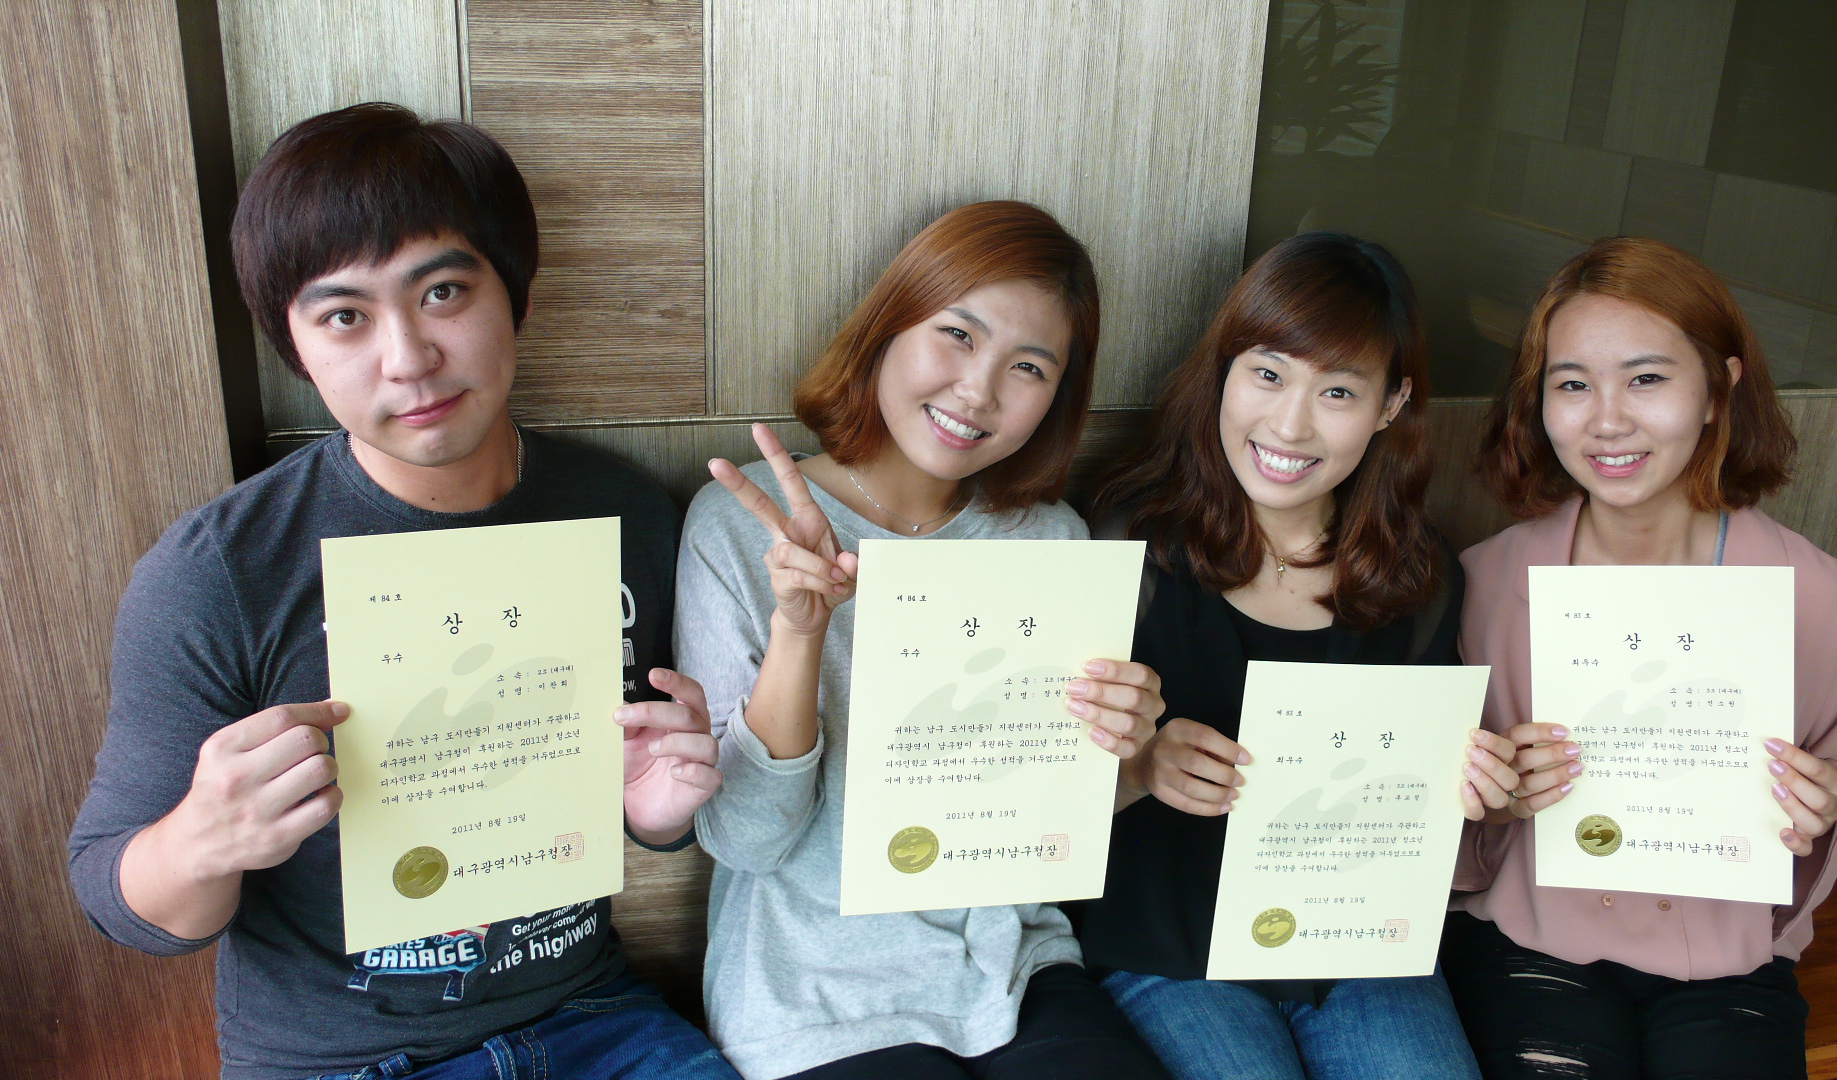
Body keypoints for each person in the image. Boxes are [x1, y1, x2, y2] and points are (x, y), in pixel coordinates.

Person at [66, 103, 738, 1080]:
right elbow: (120, 901)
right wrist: (204, 838)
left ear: (516, 296)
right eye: (345, 316)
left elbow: (650, 813)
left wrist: (658, 813)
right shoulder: (221, 569)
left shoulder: (624, 515)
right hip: (339, 1058)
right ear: (295, 346)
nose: (408, 359)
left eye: (443, 292)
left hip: (593, 1017)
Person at [673, 201, 1172, 1080]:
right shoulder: (742, 523)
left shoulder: (1052, 540)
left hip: (1013, 968)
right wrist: (800, 631)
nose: (979, 391)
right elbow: (748, 842)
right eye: (957, 335)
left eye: (1028, 367)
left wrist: (1128, 758)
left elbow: (1044, 816)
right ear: (886, 329)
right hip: (812, 992)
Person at [1441, 236, 1837, 1080]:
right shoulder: (1488, 583)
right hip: (1532, 939)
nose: (1607, 419)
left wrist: (1821, 809)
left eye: (1647, 379)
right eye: (1572, 385)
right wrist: (1493, 801)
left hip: (1729, 954)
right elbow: (1437, 810)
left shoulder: (1810, 592)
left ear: (1718, 389)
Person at [1070, 232, 1483, 1080]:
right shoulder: (1121, 541)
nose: (1290, 424)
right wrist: (1141, 767)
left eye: (1338, 391)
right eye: (1267, 374)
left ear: (1392, 405)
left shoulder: (1422, 578)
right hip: (1164, 949)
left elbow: (1418, 800)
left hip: (1356, 943)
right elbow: (1034, 795)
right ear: (1225, 370)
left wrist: (1476, 785)